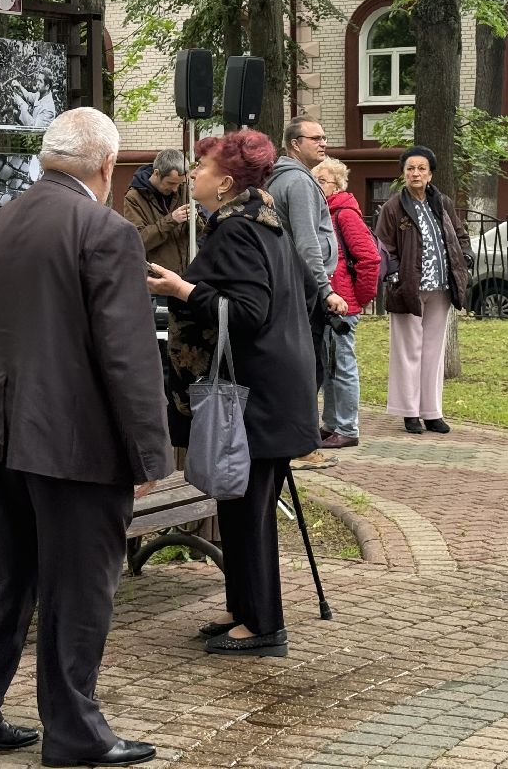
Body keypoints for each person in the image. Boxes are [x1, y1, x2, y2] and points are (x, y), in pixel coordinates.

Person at [0, 107, 170, 768]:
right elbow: (127, 356)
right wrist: (147, 452)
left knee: (12, 580)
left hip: (5, 433)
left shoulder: (0, 223)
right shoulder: (106, 230)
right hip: (78, 445)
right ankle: (76, 734)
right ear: (106, 167)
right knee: (81, 588)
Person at [147, 130, 319, 659]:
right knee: (239, 498)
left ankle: (264, 624)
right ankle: (241, 606)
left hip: (257, 393)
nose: (192, 174)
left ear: (224, 184)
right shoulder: (260, 223)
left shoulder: (239, 232)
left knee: (247, 507)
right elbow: (305, 292)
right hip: (267, 387)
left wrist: (183, 290)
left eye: (200, 167)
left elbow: (247, 314)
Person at [266, 115, 345, 471]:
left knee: (303, 366)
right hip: (305, 289)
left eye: (324, 137)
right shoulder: (297, 182)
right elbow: (307, 242)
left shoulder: (290, 177)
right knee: (307, 368)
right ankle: (300, 445)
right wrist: (325, 290)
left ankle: (295, 440)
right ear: (295, 143)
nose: (323, 143)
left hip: (295, 285)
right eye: (316, 138)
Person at [375, 146, 472, 435]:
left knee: (433, 351)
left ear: (430, 174)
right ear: (403, 173)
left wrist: (464, 258)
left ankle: (431, 412)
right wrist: (394, 277)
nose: (415, 173)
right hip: (408, 289)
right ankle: (409, 412)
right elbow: (383, 248)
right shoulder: (394, 207)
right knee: (408, 351)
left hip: (441, 287)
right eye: (410, 169)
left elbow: (459, 233)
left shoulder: (441, 202)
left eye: (421, 169)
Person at [312, 157, 380, 449]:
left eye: (322, 181)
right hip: (330, 303)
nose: (317, 185)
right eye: (314, 180)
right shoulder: (323, 211)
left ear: (337, 185)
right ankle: (331, 424)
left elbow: (369, 258)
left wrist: (358, 299)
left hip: (343, 304)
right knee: (329, 369)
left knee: (342, 366)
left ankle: (348, 427)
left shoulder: (345, 214)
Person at [122, 148, 191, 275]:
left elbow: (201, 233)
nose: (175, 189)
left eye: (179, 184)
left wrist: (196, 220)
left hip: (185, 277)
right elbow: (138, 241)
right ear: (156, 173)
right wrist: (171, 220)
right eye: (170, 183)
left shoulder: (184, 189)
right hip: (157, 281)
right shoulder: (134, 198)